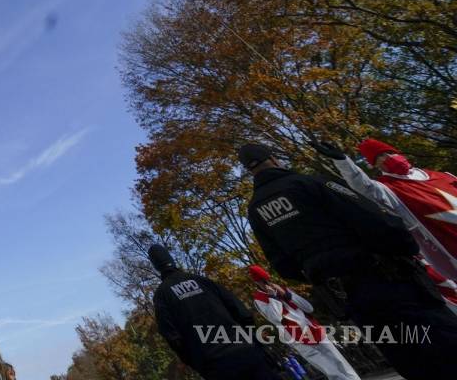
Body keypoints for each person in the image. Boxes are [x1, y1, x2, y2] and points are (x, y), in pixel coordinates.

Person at [240, 142, 457, 379]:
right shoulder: (311, 183)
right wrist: (405, 247)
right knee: (444, 342)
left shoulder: (256, 211)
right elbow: (372, 218)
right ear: (273, 158)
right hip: (391, 280)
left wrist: (323, 271)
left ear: (249, 170)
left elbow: (284, 266)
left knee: (408, 356)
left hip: (350, 297)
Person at [313, 139, 457, 309]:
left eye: (389, 152)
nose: (388, 157)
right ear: (375, 165)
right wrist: (343, 161)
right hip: (449, 247)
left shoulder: (443, 175)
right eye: (380, 157)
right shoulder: (387, 189)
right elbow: (363, 185)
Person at [148, 244, 279, 379]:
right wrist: (253, 341)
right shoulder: (202, 280)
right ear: (171, 259)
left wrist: (197, 363)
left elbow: (173, 337)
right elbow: (241, 311)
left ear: (156, 267)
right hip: (247, 352)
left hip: (215, 365)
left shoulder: (162, 295)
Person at [247, 264, 360, 380]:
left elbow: (309, 308)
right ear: (256, 283)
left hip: (311, 327)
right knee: (327, 367)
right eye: (262, 282)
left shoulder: (283, 289)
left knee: (338, 359)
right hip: (293, 335)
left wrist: (287, 295)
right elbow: (275, 318)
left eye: (267, 280)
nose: (266, 284)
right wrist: (273, 298)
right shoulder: (259, 299)